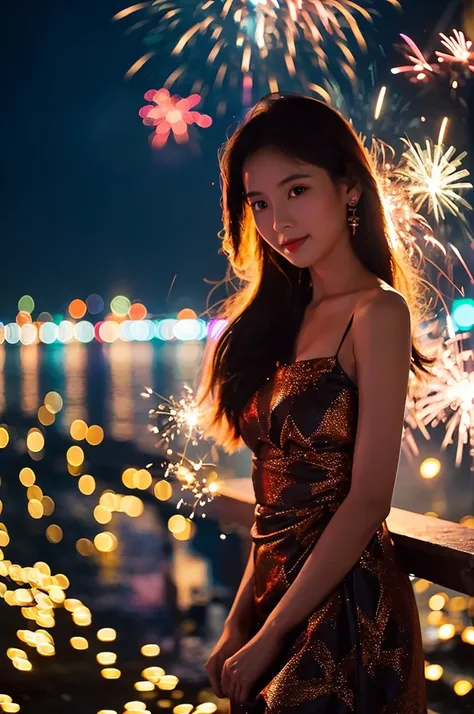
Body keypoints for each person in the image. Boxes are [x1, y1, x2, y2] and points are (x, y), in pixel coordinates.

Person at [197, 92, 433, 713]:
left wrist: (272, 632)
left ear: (349, 187)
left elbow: (367, 499)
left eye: (297, 190)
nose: (278, 222)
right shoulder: (279, 321)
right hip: (274, 601)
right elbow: (274, 503)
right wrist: (239, 620)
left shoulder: (377, 314)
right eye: (261, 204)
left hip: (346, 611)